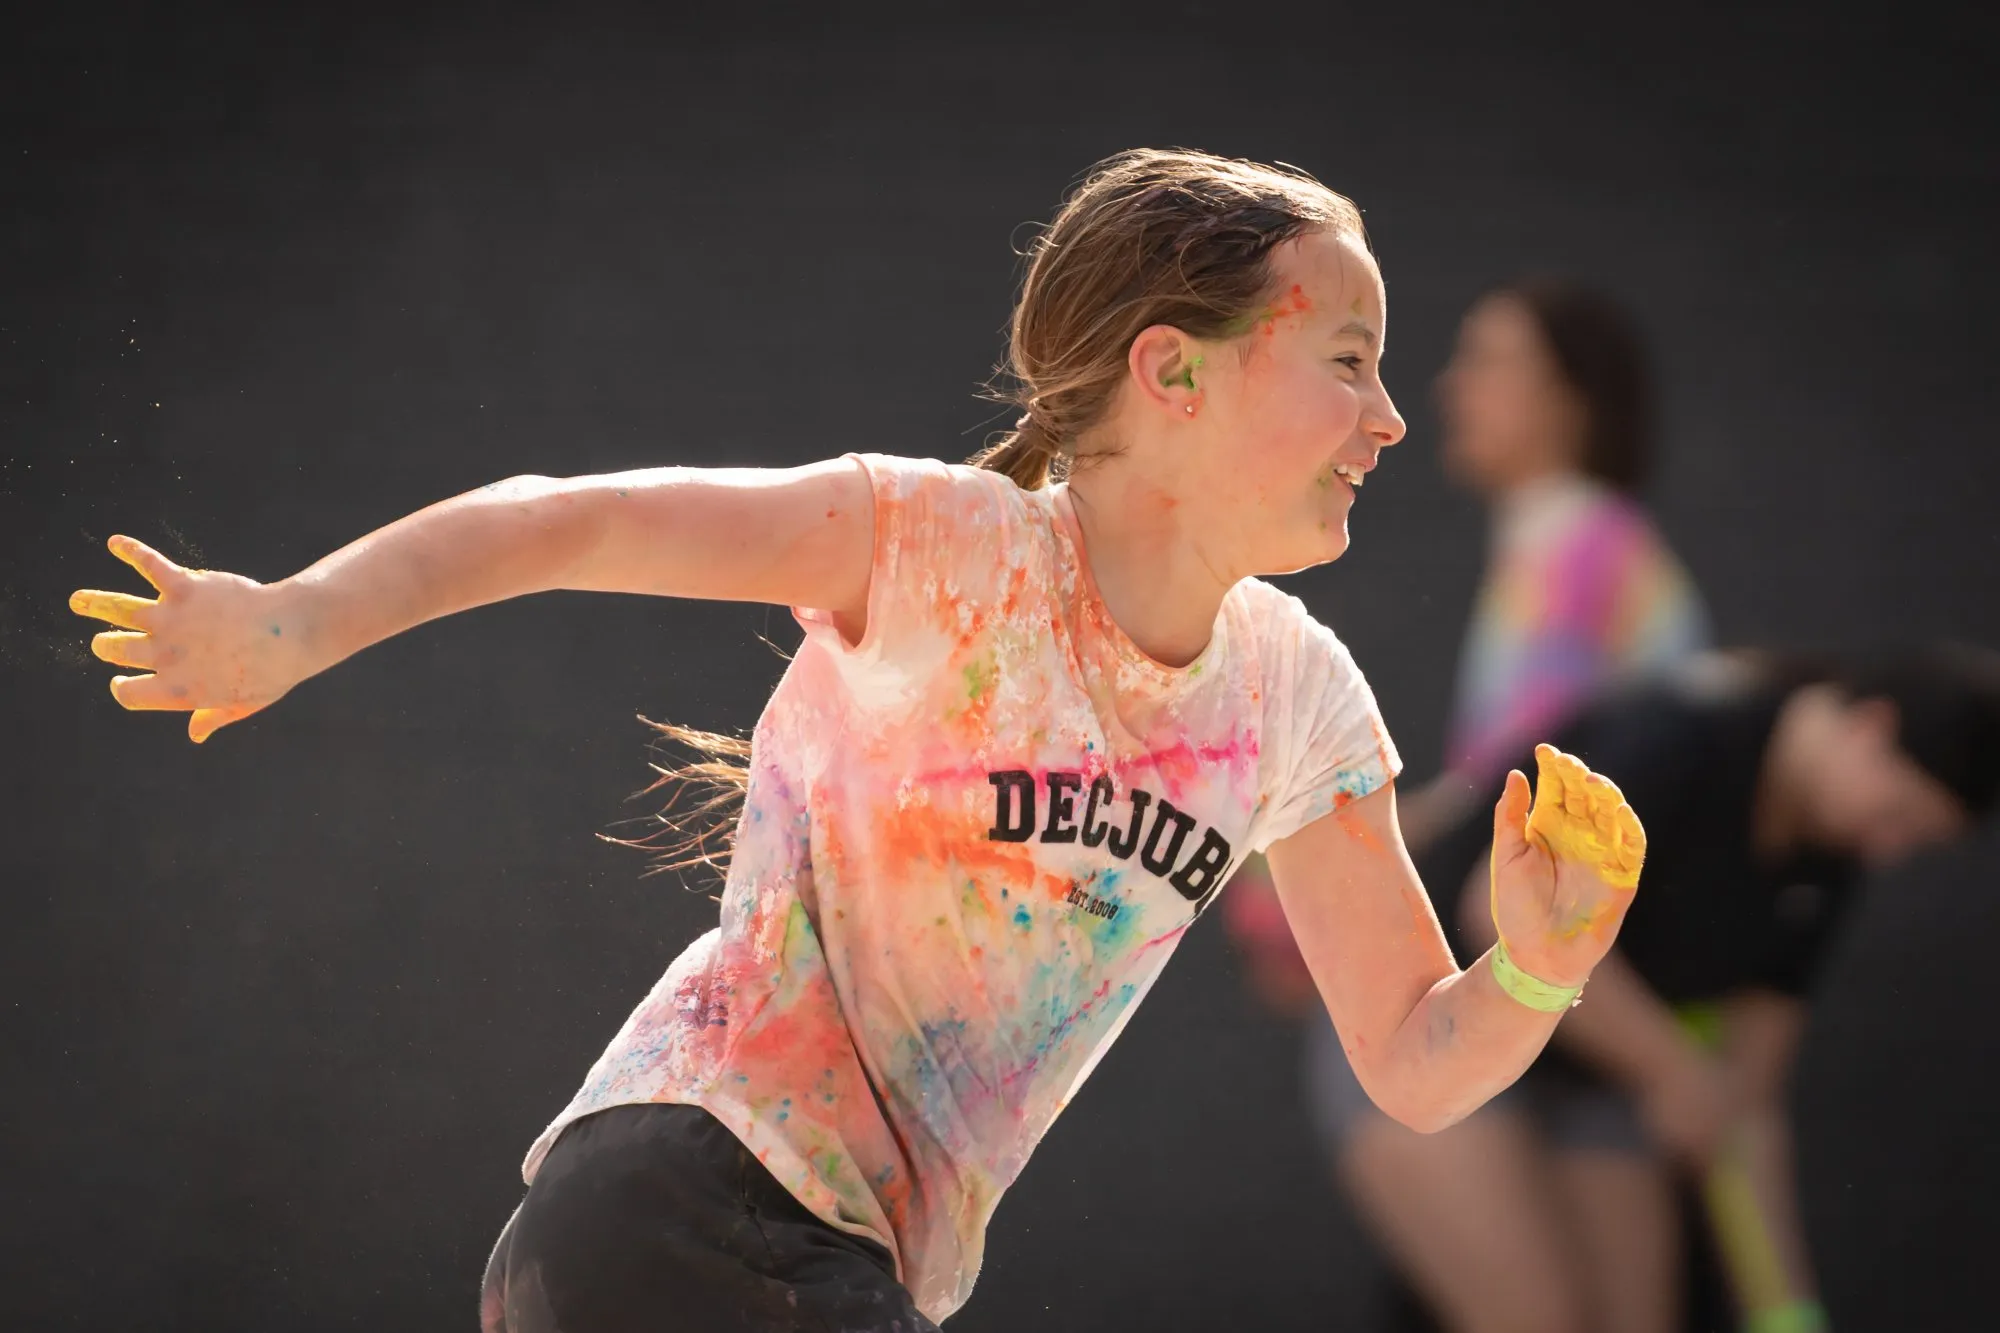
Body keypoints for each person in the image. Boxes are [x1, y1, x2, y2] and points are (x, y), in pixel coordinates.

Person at [68, 148, 1648, 1333]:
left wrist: (1538, 963)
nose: (1390, 417)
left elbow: (1415, 1063)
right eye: (1349, 360)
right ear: (1171, 370)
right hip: (686, 1201)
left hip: (839, 1266)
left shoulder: (1296, 694)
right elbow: (570, 519)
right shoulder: (947, 547)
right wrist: (294, 620)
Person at [1315, 647, 2000, 1333]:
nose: (1889, 848)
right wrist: (1672, 1069)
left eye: (1914, 839)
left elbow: (1743, 1106)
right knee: (1537, 1318)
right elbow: (1500, 916)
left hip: (1589, 1082)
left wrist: (1786, 1312)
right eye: (1898, 814)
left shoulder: (1825, 866)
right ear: (1872, 727)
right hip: (1428, 1031)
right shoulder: (1678, 735)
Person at [1223, 277, 1707, 1007]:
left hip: (1596, 939)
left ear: (1567, 398)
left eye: (1489, 361)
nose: (1451, 387)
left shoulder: (1578, 544)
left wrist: (1317, 870)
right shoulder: (1575, 537)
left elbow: (1527, 775)